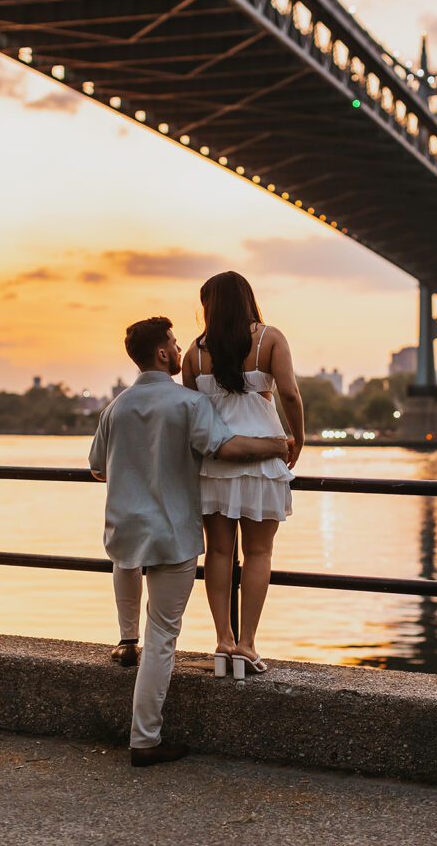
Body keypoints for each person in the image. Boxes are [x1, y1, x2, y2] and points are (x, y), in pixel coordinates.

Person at [89, 316, 289, 767]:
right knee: (162, 636)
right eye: (175, 344)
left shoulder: (115, 408)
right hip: (172, 532)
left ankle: (124, 640)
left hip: (124, 527)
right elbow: (228, 448)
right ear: (162, 353)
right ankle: (145, 739)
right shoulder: (187, 405)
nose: (180, 350)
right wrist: (277, 446)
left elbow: (98, 466)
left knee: (125, 568)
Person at [182, 272, 304, 680]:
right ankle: (247, 645)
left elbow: (195, 415)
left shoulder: (194, 355)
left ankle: (223, 641)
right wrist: (297, 438)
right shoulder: (270, 338)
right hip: (263, 464)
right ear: (248, 300)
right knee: (259, 554)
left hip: (215, 465)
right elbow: (289, 394)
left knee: (217, 553)